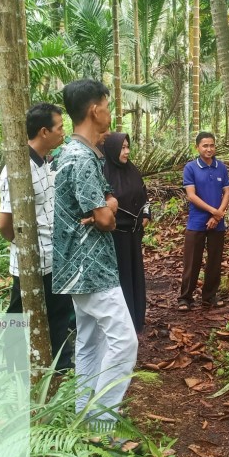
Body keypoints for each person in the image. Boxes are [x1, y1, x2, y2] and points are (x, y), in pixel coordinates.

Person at [53, 79, 138, 428]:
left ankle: (82, 419)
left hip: (74, 265)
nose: (109, 112)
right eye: (107, 104)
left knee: (89, 344)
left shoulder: (71, 152)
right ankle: (101, 427)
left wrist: (108, 205)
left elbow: (104, 206)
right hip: (91, 266)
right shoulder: (82, 157)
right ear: (94, 109)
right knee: (124, 342)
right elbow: (103, 218)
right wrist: (108, 209)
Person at [0, 103, 74, 371]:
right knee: (20, 315)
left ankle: (60, 368)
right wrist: (23, 246)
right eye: (59, 127)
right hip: (31, 261)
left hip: (55, 257)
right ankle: (14, 368)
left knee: (59, 314)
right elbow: (5, 223)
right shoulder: (18, 170)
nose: (63, 132)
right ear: (44, 131)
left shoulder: (46, 162)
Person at [102, 133, 151, 333]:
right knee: (121, 278)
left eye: (127, 146)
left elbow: (145, 196)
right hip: (115, 236)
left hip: (134, 234)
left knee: (135, 275)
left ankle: (136, 318)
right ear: (113, 150)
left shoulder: (133, 170)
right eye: (122, 148)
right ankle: (122, 323)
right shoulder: (104, 173)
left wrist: (146, 214)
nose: (126, 151)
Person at [178, 132, 229, 311]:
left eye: (212, 145)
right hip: (197, 220)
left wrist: (218, 215)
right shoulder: (191, 168)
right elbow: (191, 195)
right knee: (192, 260)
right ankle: (185, 298)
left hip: (218, 221)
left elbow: (227, 191)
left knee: (215, 260)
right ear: (197, 147)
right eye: (205, 145)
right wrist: (213, 212)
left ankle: (209, 296)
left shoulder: (221, 167)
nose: (209, 149)